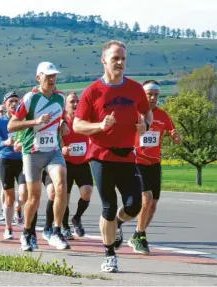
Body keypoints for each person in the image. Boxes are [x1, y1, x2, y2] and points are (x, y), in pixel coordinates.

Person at [73, 40, 153, 273]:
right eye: (115, 58)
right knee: (109, 206)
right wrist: (99, 125)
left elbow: (145, 110)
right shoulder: (92, 91)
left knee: (135, 204)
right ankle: (109, 254)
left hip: (127, 155)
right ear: (104, 61)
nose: (120, 63)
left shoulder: (136, 89)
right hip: (101, 156)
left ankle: (117, 224)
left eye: (123, 59)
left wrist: (145, 126)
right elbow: (78, 125)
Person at [8, 61, 71, 251]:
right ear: (39, 77)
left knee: (61, 184)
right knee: (34, 196)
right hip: (32, 151)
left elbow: (62, 118)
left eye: (54, 76)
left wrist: (64, 125)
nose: (52, 80)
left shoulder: (61, 97)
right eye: (48, 76)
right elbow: (12, 125)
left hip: (53, 150)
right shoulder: (30, 98)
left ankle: (56, 231)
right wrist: (35, 121)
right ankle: (27, 233)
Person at [117, 80, 182, 255]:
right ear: (142, 96)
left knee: (152, 204)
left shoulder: (163, 115)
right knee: (146, 199)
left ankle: (130, 230)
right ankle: (140, 235)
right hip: (137, 161)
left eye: (156, 95)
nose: (153, 98)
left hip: (154, 163)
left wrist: (177, 137)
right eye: (149, 94)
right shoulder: (135, 113)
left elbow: (175, 137)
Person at [43, 92, 93, 240]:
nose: (75, 104)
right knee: (62, 196)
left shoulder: (84, 120)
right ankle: (63, 227)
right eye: (72, 101)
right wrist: (62, 148)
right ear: (65, 105)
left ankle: (76, 218)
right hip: (65, 163)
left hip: (82, 162)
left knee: (87, 192)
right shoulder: (60, 121)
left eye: (77, 101)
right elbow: (52, 138)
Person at [0, 92, 26, 239]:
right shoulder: (0, 122)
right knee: (9, 198)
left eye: (16, 101)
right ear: (5, 104)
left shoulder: (23, 120)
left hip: (23, 160)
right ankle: (8, 228)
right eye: (10, 101)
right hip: (5, 161)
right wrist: (5, 143)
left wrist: (23, 144)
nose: (13, 104)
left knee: (24, 194)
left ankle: (19, 208)